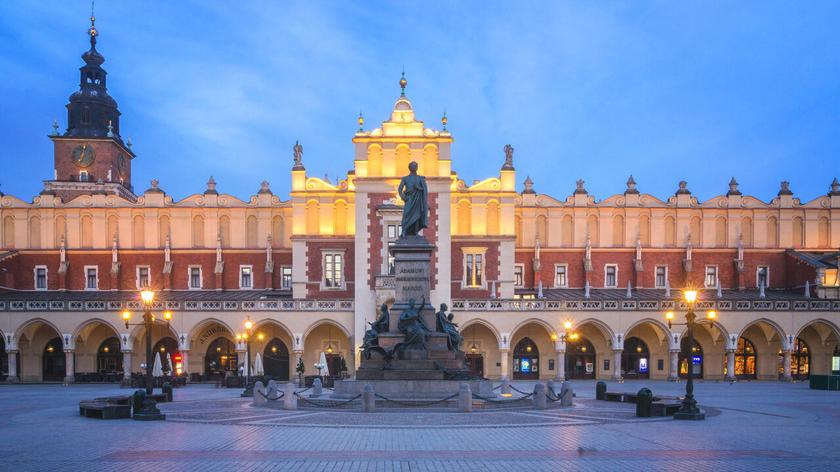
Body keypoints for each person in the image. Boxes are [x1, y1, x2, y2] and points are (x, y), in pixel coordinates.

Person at [397, 161, 429, 237]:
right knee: (406, 215)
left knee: (417, 216)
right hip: (409, 199)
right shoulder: (405, 178)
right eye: (412, 166)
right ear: (409, 168)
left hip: (417, 199)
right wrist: (403, 197)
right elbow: (400, 189)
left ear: (417, 168)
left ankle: (416, 232)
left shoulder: (420, 178)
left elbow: (424, 190)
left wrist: (419, 188)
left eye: (415, 166)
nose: (414, 167)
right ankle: (404, 232)